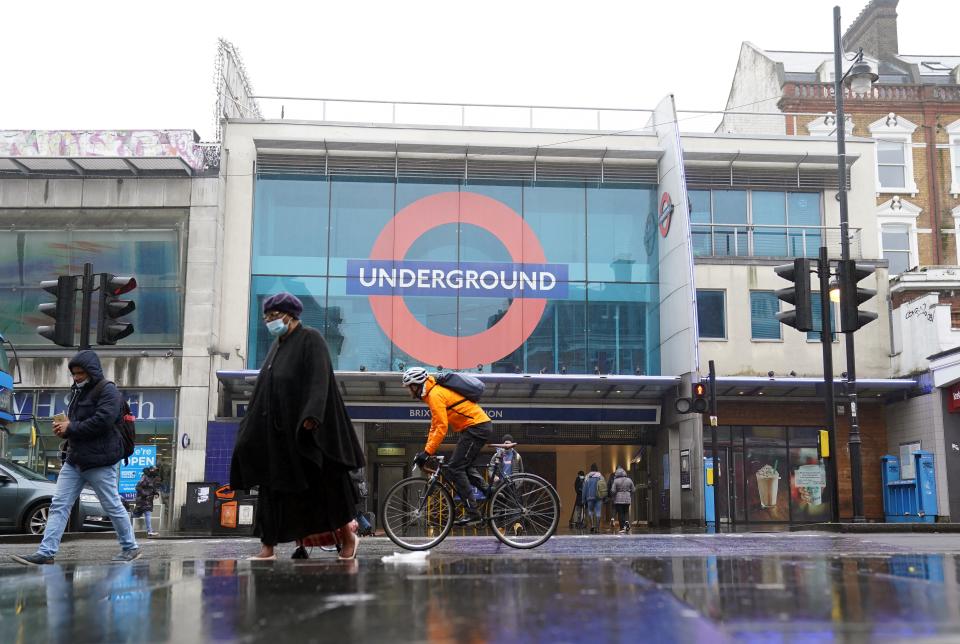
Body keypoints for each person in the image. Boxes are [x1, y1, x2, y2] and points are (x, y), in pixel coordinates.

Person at [230, 292, 365, 561]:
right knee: (272, 489)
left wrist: (312, 415)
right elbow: (265, 388)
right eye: (266, 316)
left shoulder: (310, 338)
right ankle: (267, 548)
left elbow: (319, 378)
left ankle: (348, 536)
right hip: (278, 436)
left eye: (274, 316)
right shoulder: (276, 346)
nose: (269, 321)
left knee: (326, 486)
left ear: (290, 316)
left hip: (306, 432)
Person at [11, 350, 140, 565]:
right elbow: (80, 424)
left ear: (92, 371)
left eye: (81, 373)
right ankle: (46, 552)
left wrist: (71, 427)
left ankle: (130, 547)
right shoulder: (77, 393)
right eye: (74, 374)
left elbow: (103, 421)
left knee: (112, 505)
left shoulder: (108, 391)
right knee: (59, 505)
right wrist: (65, 429)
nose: (77, 377)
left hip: (100, 460)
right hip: (75, 460)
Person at [403, 367, 492, 525]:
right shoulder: (433, 394)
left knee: (455, 468)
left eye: (409, 387)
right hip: (474, 427)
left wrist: (428, 452)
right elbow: (435, 426)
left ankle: (473, 512)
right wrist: (426, 451)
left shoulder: (434, 394)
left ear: (416, 385)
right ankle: (490, 491)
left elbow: (442, 427)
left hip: (476, 427)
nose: (408, 391)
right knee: (462, 466)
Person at [131, 466, 162, 537]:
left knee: (137, 514)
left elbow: (152, 488)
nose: (156, 472)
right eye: (155, 470)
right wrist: (145, 494)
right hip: (142, 500)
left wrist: (156, 493)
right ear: (151, 470)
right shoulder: (144, 477)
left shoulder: (152, 478)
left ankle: (149, 530)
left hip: (148, 500)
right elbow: (138, 487)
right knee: (146, 514)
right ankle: (149, 531)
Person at [610, 467, 636, 534]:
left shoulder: (615, 481)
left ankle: (622, 527)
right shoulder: (629, 480)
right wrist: (629, 492)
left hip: (618, 499)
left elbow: (613, 490)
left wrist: (615, 493)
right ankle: (627, 522)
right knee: (626, 512)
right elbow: (633, 490)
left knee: (620, 513)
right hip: (627, 498)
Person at [581, 464, 605, 534]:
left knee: (590, 511)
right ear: (597, 469)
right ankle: (597, 528)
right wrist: (604, 496)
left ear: (591, 469)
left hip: (589, 497)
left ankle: (592, 526)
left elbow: (584, 489)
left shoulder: (587, 477)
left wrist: (583, 499)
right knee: (598, 512)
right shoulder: (601, 477)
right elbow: (604, 488)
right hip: (599, 497)